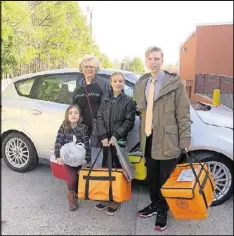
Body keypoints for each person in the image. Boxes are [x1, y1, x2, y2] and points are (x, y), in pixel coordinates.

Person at [133, 46, 191, 231]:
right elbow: (141, 109)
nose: (153, 62)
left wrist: (185, 141)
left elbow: (183, 114)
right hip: (148, 137)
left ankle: (163, 210)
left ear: (162, 60)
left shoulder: (175, 84)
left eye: (157, 58)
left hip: (168, 139)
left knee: (165, 178)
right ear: (146, 61)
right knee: (152, 177)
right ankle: (154, 204)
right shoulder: (143, 83)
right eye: (150, 59)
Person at [95, 71, 136, 216]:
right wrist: (104, 135)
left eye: (120, 81)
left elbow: (129, 121)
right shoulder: (105, 98)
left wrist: (116, 135)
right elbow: (99, 117)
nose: (118, 84)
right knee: (106, 168)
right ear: (111, 83)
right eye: (115, 81)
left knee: (118, 170)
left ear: (123, 83)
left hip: (118, 142)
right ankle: (106, 197)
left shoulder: (128, 101)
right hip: (106, 142)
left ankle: (116, 199)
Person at [72, 55, 110, 167]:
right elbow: (73, 107)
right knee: (82, 158)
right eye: (86, 66)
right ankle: (84, 182)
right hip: (82, 130)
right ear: (81, 69)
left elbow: (108, 106)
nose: (89, 69)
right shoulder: (79, 86)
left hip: (97, 130)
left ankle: (95, 183)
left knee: (96, 161)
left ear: (96, 68)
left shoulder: (103, 84)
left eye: (92, 66)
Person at [54, 104, 90, 211]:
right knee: (72, 178)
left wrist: (86, 159)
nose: (73, 115)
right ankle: (71, 196)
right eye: (70, 113)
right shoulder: (64, 127)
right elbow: (58, 141)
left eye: (76, 113)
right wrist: (58, 155)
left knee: (78, 177)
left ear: (79, 115)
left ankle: (77, 192)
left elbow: (86, 143)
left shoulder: (83, 129)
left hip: (79, 159)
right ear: (67, 115)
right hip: (67, 160)